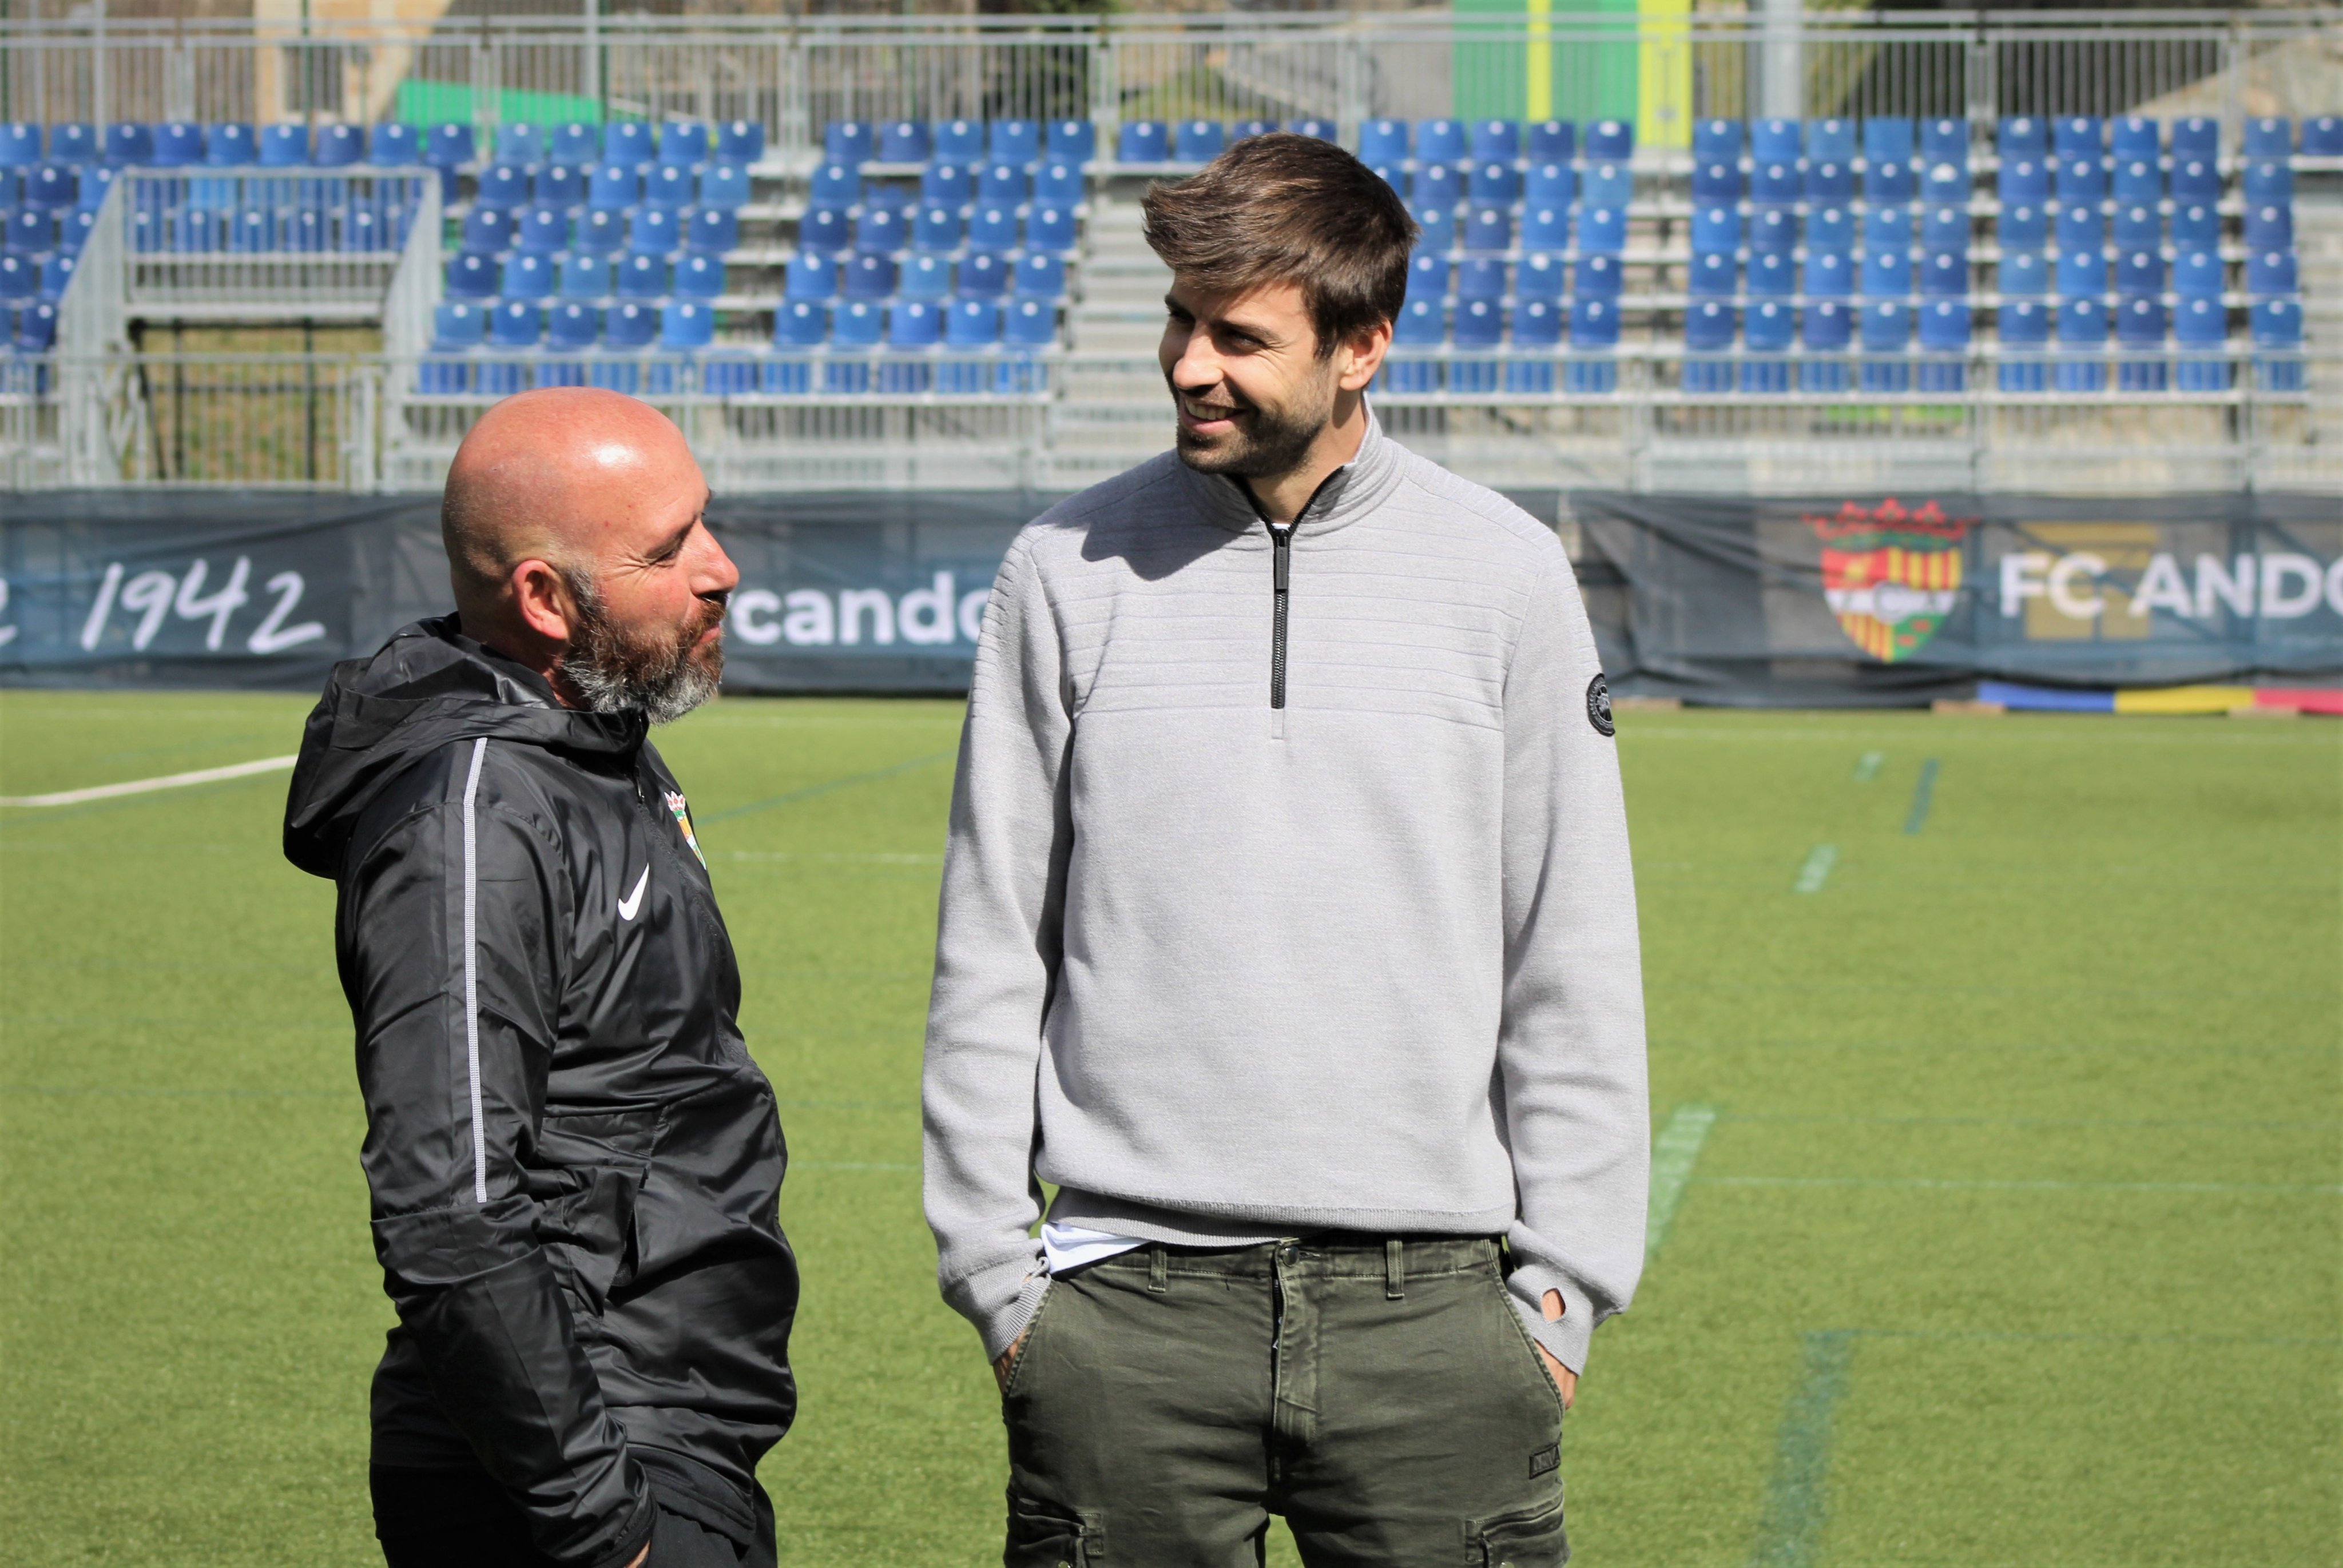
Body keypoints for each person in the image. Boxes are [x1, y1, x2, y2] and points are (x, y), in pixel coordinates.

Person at [922, 133, 1649, 1565]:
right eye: (1179, 321)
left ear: (1361, 347)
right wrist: (1000, 1278)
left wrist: (1560, 1294)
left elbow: (1567, 944)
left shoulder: (1501, 572)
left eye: (1237, 335)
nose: (1191, 363)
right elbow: (990, 941)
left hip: (1432, 1316)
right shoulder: (1059, 571)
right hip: (1120, 1310)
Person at [283, 389, 796, 1568]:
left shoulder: (592, 743)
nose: (720, 568)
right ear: (545, 600)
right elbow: (447, 1206)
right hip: (572, 1461)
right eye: (667, 550)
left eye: (702, 524)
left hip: (660, 1421)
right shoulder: (476, 817)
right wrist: (599, 1521)